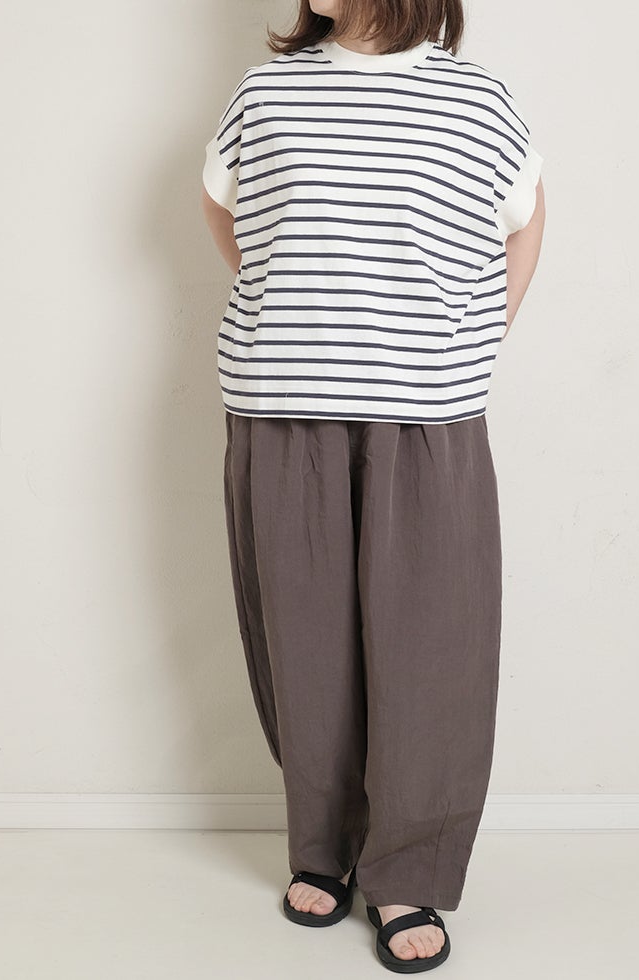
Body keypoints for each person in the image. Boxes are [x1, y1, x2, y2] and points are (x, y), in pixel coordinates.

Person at [201, 0, 545, 971]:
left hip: (425, 413)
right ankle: (322, 843)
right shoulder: (265, 94)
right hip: (282, 403)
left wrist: (473, 336)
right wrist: (284, 298)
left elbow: (524, 222)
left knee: (430, 650)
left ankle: (410, 869)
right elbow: (222, 207)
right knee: (304, 643)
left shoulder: (476, 100)